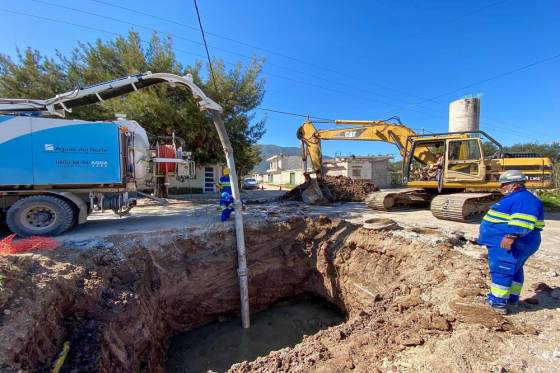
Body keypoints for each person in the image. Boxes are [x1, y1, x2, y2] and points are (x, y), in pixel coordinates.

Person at [478, 170, 545, 314]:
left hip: (510, 242)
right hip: (511, 241)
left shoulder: (523, 199)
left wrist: (511, 236)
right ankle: (511, 298)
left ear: (513, 185)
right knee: (514, 269)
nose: (500, 187)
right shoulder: (518, 197)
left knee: (502, 269)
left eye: (503, 184)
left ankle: (497, 302)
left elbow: (524, 220)